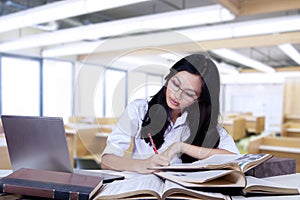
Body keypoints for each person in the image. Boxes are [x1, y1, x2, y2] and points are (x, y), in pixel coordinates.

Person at [101, 54, 240, 174]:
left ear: (200, 99)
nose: (177, 96)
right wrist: (142, 164)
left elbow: (235, 159)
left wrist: (181, 147)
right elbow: (107, 161)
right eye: (175, 84)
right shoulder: (139, 110)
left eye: (188, 93)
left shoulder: (206, 125)